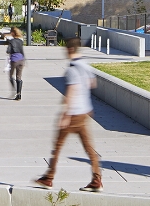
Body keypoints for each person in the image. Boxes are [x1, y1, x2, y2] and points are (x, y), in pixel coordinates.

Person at [34, 38, 102, 193]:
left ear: (70, 49)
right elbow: (92, 84)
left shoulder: (72, 70)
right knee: (89, 147)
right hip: (84, 112)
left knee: (58, 145)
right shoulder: (85, 65)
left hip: (73, 114)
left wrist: (65, 114)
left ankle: (49, 177)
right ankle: (97, 179)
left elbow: (72, 91)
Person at [6, 26, 25, 100]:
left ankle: (14, 90)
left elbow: (8, 51)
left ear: (13, 33)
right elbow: (22, 51)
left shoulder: (11, 41)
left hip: (14, 60)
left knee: (11, 76)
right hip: (21, 60)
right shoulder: (20, 41)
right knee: (19, 77)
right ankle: (19, 94)